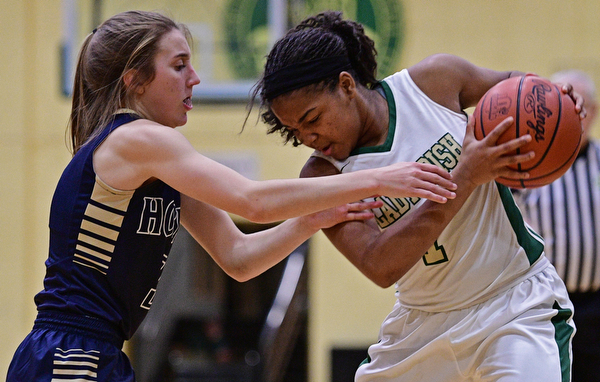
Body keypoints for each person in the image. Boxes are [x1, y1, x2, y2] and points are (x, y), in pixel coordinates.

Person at [5, 10, 461, 382]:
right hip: (69, 355)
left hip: (98, 352)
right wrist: (379, 178)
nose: (196, 78)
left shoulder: (157, 163)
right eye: (179, 64)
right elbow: (251, 201)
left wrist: (310, 220)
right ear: (135, 80)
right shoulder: (136, 139)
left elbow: (238, 257)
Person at [251, 11, 586, 382]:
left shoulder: (433, 82)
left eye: (312, 118)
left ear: (346, 85)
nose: (307, 137)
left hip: (514, 302)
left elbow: (513, 86)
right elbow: (380, 265)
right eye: (294, 130)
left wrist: (555, 100)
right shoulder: (322, 176)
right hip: (422, 327)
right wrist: (464, 178)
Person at [513, 70, 600, 382]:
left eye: (581, 106)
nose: (575, 115)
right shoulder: (529, 166)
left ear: (594, 111)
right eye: (564, 105)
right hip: (545, 301)